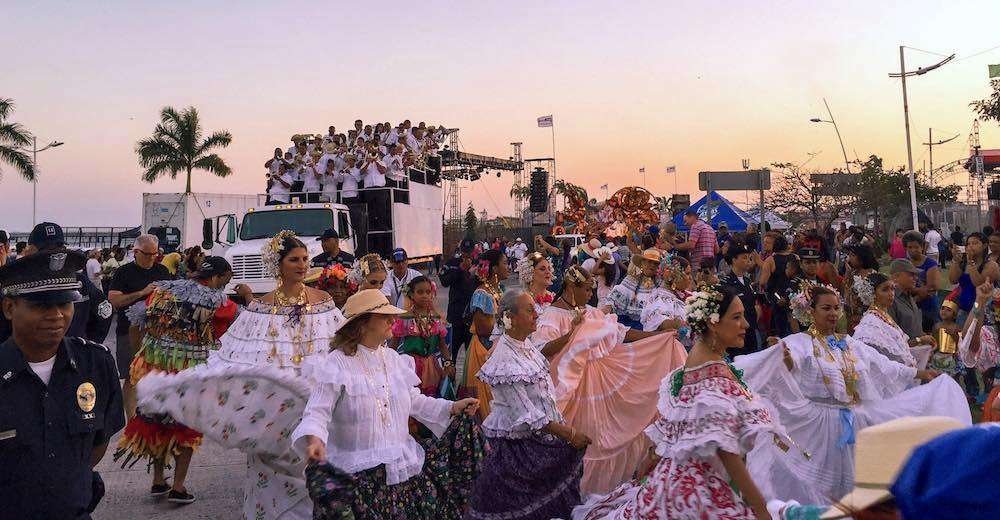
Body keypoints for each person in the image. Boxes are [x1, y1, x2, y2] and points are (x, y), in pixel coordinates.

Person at [734, 284, 970, 505]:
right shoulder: (799, 343)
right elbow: (789, 361)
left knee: (856, 477)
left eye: (836, 307)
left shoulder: (848, 343)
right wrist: (782, 358)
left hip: (852, 418)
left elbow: (882, 365)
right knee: (814, 482)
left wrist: (920, 373)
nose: (833, 313)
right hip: (816, 424)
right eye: (826, 308)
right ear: (810, 311)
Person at [573, 285, 779, 520]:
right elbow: (726, 451)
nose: (746, 325)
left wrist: (654, 457)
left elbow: (683, 419)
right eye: (736, 317)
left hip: (679, 477)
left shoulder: (700, 358)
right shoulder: (712, 374)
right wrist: (760, 508)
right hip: (698, 488)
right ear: (713, 322)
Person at [294, 289, 483, 519]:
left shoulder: (393, 359)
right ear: (362, 324)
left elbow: (413, 401)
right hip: (358, 481)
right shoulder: (336, 365)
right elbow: (316, 412)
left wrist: (451, 407)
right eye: (384, 316)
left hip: (401, 472)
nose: (393, 320)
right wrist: (314, 440)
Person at [204, 231, 345, 518]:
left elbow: (342, 350)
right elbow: (239, 359)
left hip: (316, 409)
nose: (302, 265)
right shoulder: (260, 308)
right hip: (275, 414)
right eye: (294, 259)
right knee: (274, 486)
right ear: (278, 264)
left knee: (317, 480)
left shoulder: (325, 301)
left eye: (305, 259)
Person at [531, 266, 686, 495]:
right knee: (583, 437)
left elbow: (621, 332)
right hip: (573, 387)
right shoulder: (552, 315)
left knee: (605, 435)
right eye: (585, 290)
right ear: (571, 288)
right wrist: (571, 334)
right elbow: (541, 350)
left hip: (602, 381)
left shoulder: (590, 312)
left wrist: (656, 337)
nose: (590, 295)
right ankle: (574, 492)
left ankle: (602, 491)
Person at [0, 249, 125, 518]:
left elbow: (96, 445)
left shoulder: (96, 365)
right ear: (9, 308)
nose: (57, 315)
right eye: (42, 305)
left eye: (65, 304)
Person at [112, 257, 239, 505]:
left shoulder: (164, 290)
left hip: (153, 371)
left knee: (156, 423)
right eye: (226, 280)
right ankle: (178, 487)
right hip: (188, 374)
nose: (225, 286)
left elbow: (137, 321)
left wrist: (140, 355)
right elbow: (243, 323)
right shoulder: (217, 301)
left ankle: (158, 481)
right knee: (186, 428)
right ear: (216, 278)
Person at [466, 289, 589, 520]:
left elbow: (548, 350)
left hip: (540, 438)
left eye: (535, 308)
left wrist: (573, 330)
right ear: (510, 318)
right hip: (517, 449)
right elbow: (527, 414)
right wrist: (570, 434)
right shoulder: (504, 359)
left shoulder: (525, 344)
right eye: (530, 310)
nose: (537, 314)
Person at [0, 223, 114, 346]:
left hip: (72, 358)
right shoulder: (19, 283)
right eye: (45, 249)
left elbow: (104, 312)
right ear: (29, 251)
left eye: (57, 247)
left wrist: (84, 348)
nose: (52, 253)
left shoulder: (79, 281)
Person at [108, 233, 173, 416]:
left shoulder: (162, 271)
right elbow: (114, 301)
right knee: (131, 377)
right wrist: (141, 293)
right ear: (135, 252)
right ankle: (132, 420)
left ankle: (155, 416)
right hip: (128, 332)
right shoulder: (123, 272)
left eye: (155, 254)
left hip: (157, 333)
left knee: (159, 374)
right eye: (147, 254)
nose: (152, 258)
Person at [463, 248, 508, 419]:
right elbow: (483, 329)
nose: (508, 266)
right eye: (504, 263)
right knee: (486, 402)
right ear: (494, 269)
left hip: (496, 349)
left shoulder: (498, 290)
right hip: (484, 351)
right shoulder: (482, 293)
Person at [392, 276, 454, 397]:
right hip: (411, 367)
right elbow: (393, 345)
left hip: (432, 367)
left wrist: (448, 363)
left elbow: (442, 345)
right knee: (413, 398)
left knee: (432, 399)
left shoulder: (436, 318)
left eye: (428, 292)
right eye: (420, 292)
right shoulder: (404, 319)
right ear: (411, 295)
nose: (425, 295)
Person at [851, 272, 926, 368]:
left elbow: (899, 349)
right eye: (885, 290)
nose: (891, 293)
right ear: (872, 293)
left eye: (892, 289)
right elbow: (878, 360)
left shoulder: (884, 316)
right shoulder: (870, 323)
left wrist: (921, 342)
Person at [601, 248, 661, 329]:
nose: (652, 265)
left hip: (652, 327)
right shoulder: (630, 280)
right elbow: (612, 301)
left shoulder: (660, 283)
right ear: (642, 263)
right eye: (649, 262)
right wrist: (600, 315)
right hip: (631, 326)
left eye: (655, 263)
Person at [440, 238, 477, 365]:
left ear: (473, 251)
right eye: (464, 251)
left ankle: (467, 383)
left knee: (471, 357)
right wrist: (460, 269)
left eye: (469, 251)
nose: (467, 254)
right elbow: (444, 281)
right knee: (452, 354)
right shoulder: (452, 263)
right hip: (455, 314)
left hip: (472, 316)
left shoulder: (478, 263)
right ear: (461, 250)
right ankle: (450, 380)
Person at [949, 232, 1000, 322]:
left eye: (975, 243)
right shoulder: (963, 264)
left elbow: (978, 283)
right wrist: (956, 261)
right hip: (964, 311)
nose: (971, 246)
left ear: (984, 246)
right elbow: (953, 280)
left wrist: (970, 263)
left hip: (983, 312)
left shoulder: (991, 265)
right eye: (968, 244)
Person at [721, 242, 761, 353]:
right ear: (734, 260)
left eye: (749, 258)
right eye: (744, 258)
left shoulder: (747, 281)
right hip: (736, 333)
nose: (748, 261)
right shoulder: (726, 283)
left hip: (751, 328)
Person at [902, 231, 941, 332]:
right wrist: (917, 291)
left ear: (922, 247)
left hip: (928, 308)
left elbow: (932, 288)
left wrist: (914, 298)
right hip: (909, 308)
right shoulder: (904, 263)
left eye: (916, 247)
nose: (912, 250)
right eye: (909, 247)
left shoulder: (930, 264)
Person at [888, 259, 932, 342]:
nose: (916, 278)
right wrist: (919, 340)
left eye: (916, 275)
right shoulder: (890, 300)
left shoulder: (909, 295)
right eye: (911, 275)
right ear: (896, 276)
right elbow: (893, 339)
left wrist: (924, 336)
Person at [760, 233, 794, 337]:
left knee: (780, 328)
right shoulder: (795, 257)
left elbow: (763, 282)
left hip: (777, 297)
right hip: (793, 296)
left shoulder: (770, 260)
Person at [843, 244, 879, 330]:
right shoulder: (853, 273)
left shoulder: (871, 275)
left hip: (865, 319)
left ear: (862, 258)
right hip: (851, 317)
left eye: (852, 255)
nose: (849, 258)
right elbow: (845, 291)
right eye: (849, 255)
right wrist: (847, 275)